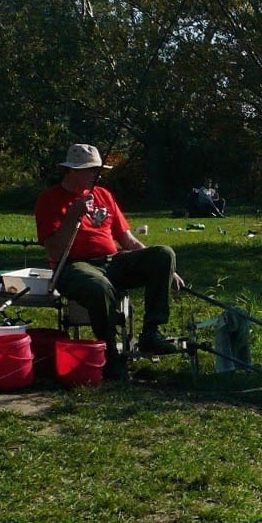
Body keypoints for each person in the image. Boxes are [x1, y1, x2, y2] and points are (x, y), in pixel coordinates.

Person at [35, 143, 184, 380]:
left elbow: (127, 239)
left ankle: (151, 332)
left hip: (111, 261)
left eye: (96, 170)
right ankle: (110, 354)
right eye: (89, 170)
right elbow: (54, 249)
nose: (95, 174)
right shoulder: (50, 200)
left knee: (163, 254)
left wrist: (168, 270)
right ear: (72, 171)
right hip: (73, 266)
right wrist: (73, 215)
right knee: (98, 286)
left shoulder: (104, 195)